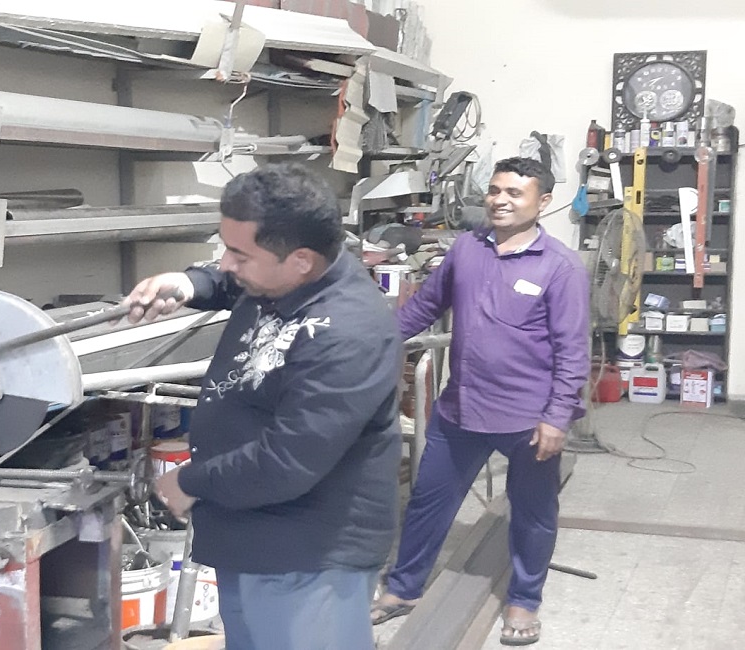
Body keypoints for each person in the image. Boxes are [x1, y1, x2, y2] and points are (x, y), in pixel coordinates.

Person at [124, 162, 403, 650]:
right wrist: (188, 284)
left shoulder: (349, 332)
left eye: (238, 253)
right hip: (255, 536)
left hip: (308, 558)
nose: (226, 263)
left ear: (300, 260)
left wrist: (191, 482)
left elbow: (286, 461)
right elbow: (232, 282)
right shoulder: (284, 278)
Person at [371, 157, 589, 646]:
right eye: (494, 190)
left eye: (514, 192)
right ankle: (404, 588)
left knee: (532, 513)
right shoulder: (467, 249)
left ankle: (523, 600)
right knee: (428, 502)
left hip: (527, 418)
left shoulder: (560, 267)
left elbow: (572, 350)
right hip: (461, 409)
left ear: (543, 202)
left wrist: (557, 417)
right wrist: (373, 340)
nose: (500, 200)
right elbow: (426, 306)